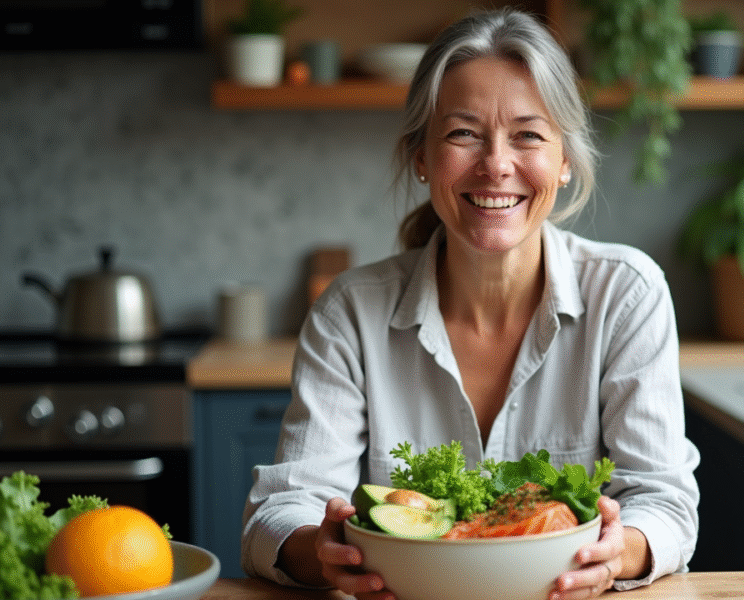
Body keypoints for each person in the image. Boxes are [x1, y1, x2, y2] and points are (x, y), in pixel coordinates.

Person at [241, 8, 699, 599]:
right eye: (463, 133)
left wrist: (618, 554)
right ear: (422, 158)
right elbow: (276, 514)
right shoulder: (350, 313)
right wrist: (318, 552)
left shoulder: (626, 294)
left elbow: (663, 501)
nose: (496, 165)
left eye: (528, 135)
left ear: (564, 161)